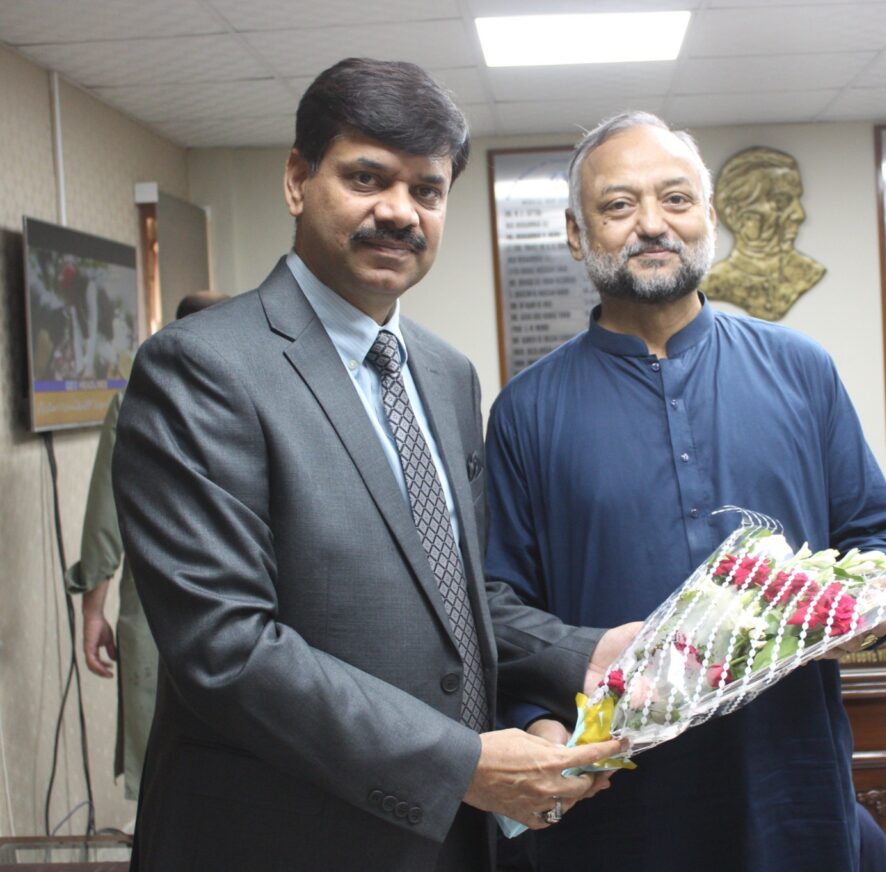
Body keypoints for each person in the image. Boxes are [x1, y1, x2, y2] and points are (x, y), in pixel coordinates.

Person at [112, 59, 632, 872]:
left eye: (426, 190)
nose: (399, 211)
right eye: (366, 178)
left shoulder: (447, 373)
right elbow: (228, 649)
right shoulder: (201, 370)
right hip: (284, 841)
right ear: (298, 180)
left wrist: (585, 653)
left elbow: (454, 597)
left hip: (452, 838)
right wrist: (460, 765)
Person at [485, 111, 886, 872]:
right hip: (618, 811)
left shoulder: (802, 371)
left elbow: (879, 538)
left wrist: (867, 609)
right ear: (577, 234)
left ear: (709, 217)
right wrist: (538, 723)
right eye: (619, 205)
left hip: (792, 784)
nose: (653, 223)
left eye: (676, 199)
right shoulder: (526, 410)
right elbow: (500, 606)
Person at [65, 291, 228, 801]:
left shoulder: (137, 396)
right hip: (253, 603)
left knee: (165, 764)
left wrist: (94, 610)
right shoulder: (265, 392)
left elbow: (106, 513)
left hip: (159, 602)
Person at [703, 146, 826, 321]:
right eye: (781, 201)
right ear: (734, 213)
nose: (799, 215)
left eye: (797, 200)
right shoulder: (713, 282)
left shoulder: (809, 273)